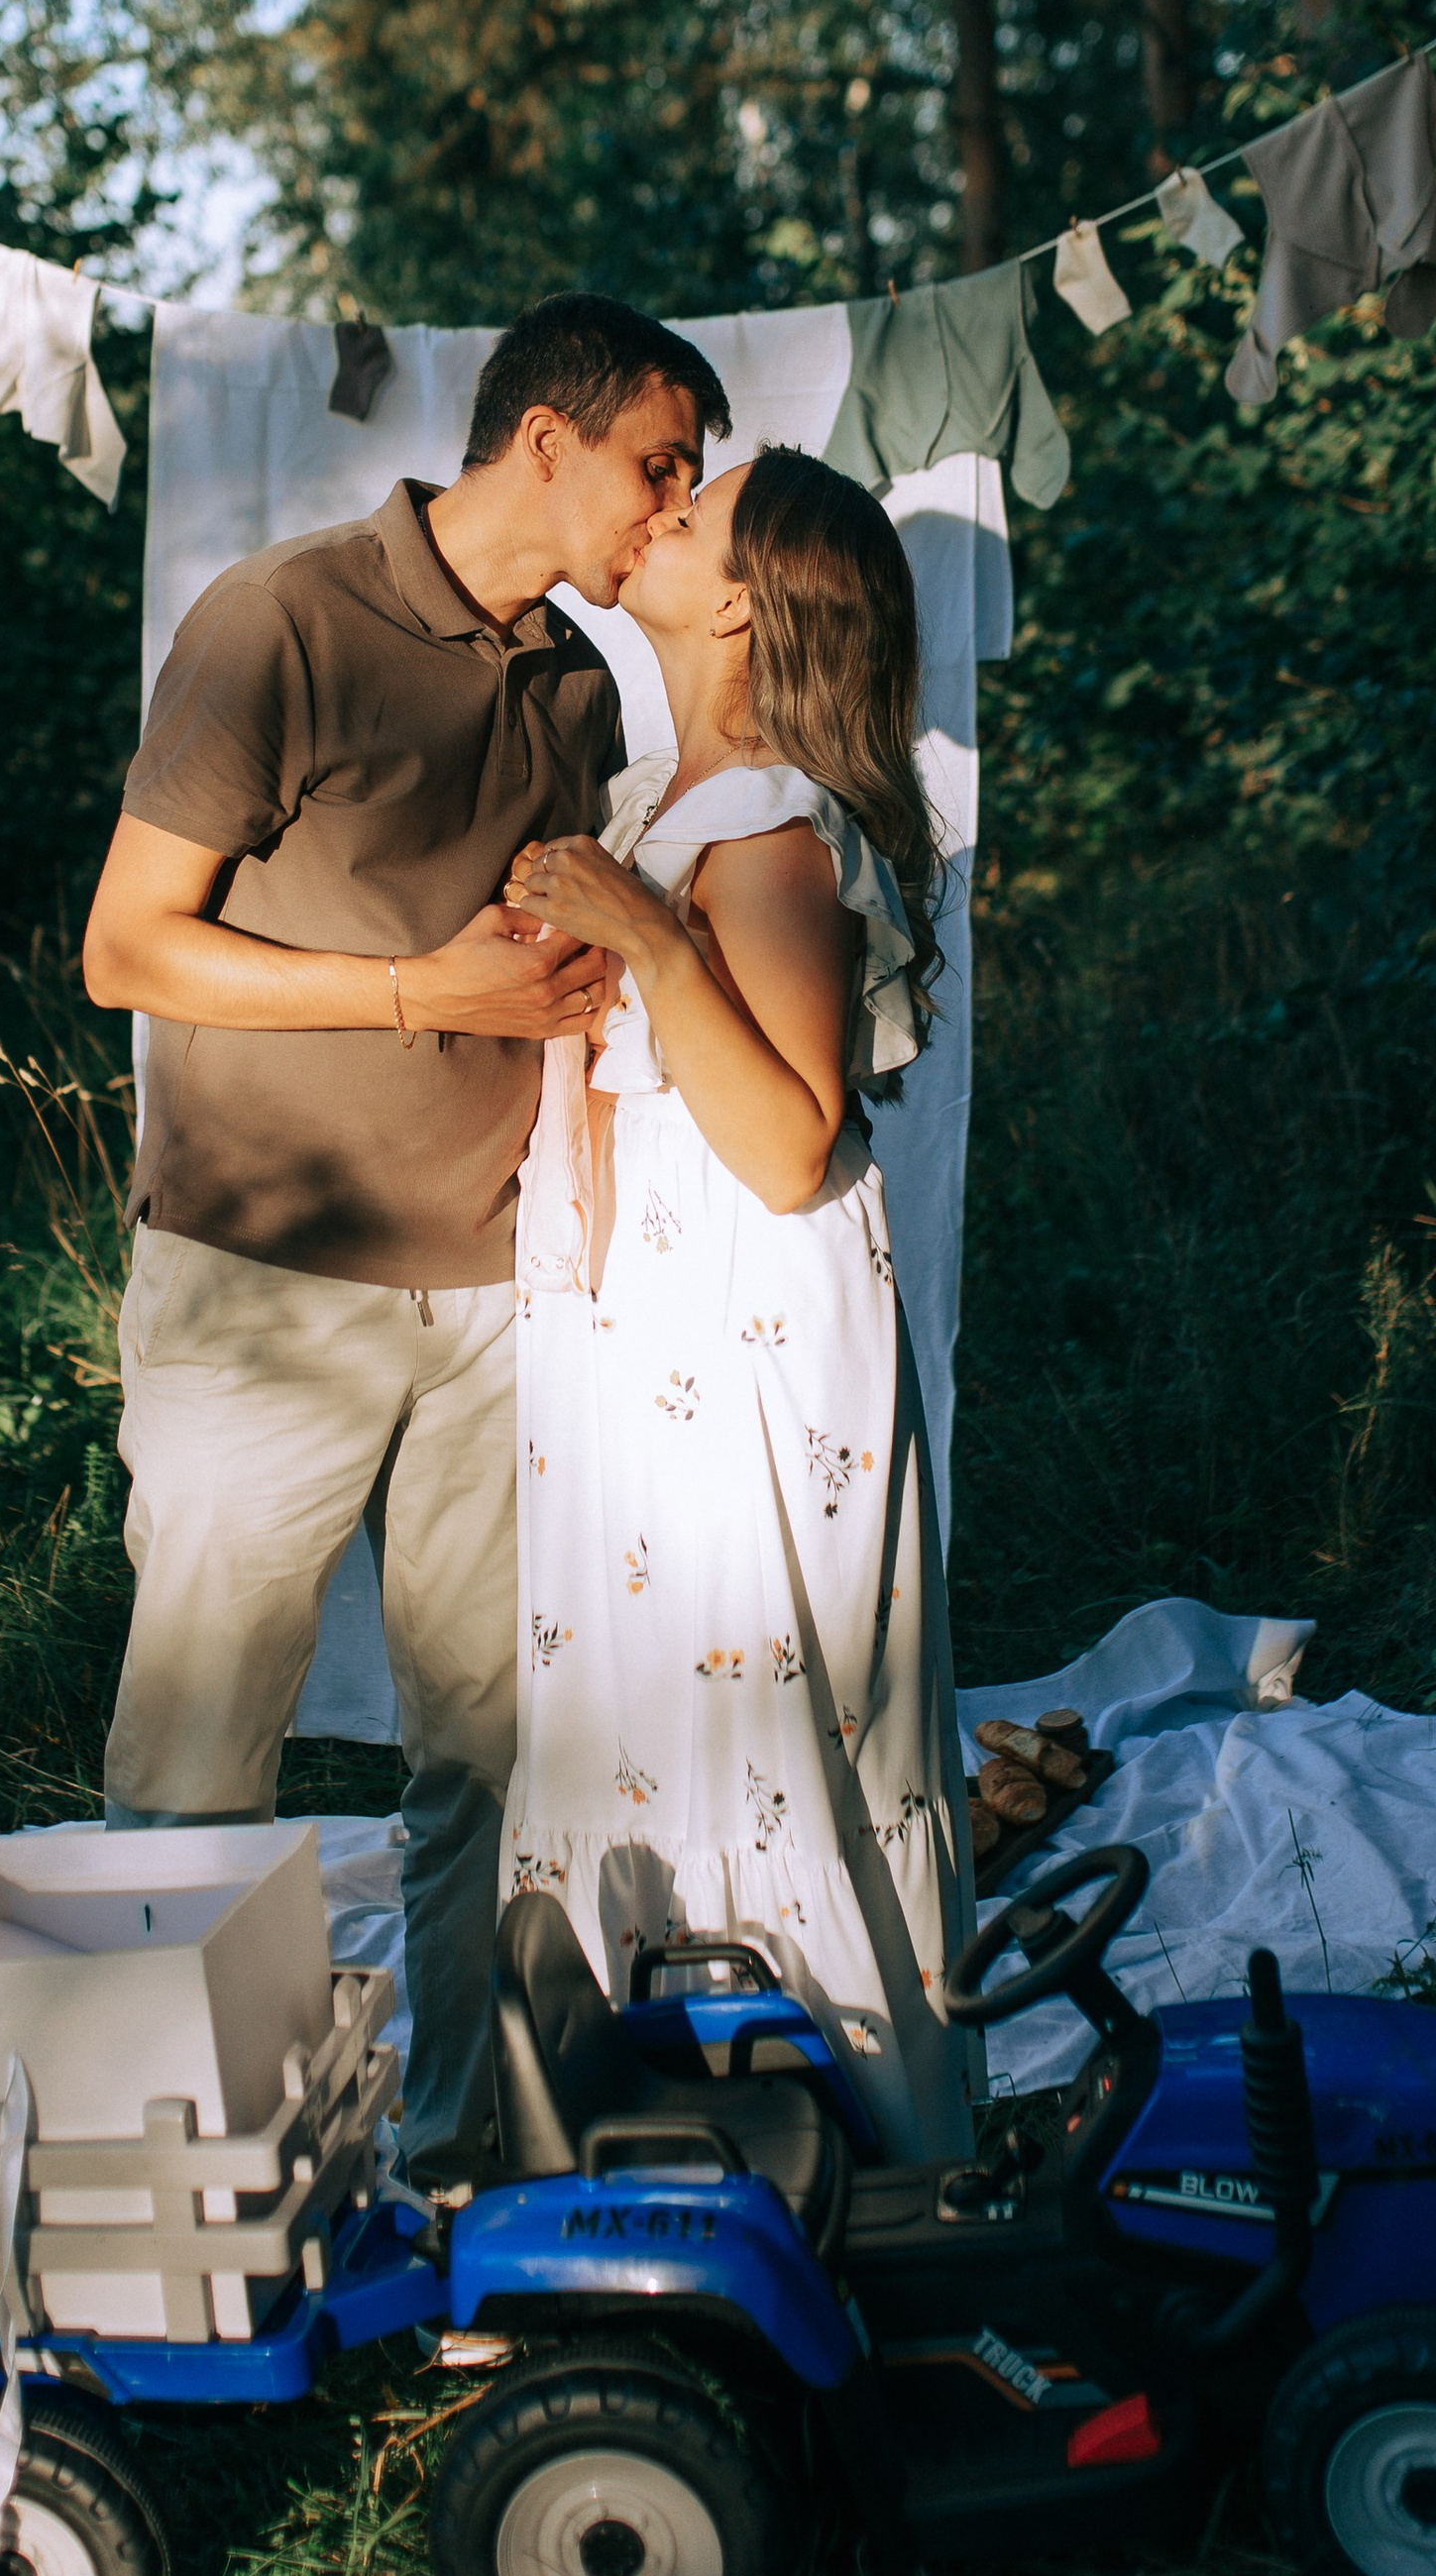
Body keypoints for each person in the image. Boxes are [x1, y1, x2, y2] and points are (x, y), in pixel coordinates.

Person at [80, 293, 732, 2166]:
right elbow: (127, 947)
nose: (670, 507)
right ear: (546, 438)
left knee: (486, 1752)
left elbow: (533, 967)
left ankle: (458, 2161)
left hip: (505, 1285)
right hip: (264, 1283)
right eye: (656, 464)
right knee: (203, 1748)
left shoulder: (589, 683)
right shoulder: (279, 621)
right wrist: (414, 990)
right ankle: (176, 2174)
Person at [500, 447, 977, 2161]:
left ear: (742, 603)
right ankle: (655, 2139)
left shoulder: (765, 828)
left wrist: (649, 935)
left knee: (750, 1727)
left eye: (694, 513)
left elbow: (783, 1145)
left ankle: (824, 2146)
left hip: (743, 1344)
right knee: (653, 1719)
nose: (661, 513)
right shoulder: (659, 804)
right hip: (648, 1343)